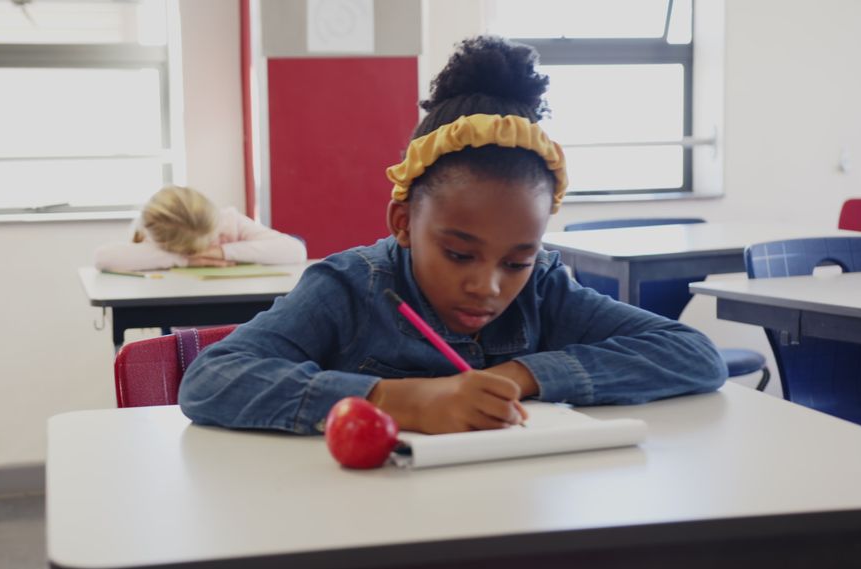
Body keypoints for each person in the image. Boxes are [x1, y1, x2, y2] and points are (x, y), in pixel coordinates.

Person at [178, 36, 726, 435]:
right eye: (460, 253)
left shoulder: (545, 291)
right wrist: (397, 400)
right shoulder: (345, 289)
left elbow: (694, 354)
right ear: (403, 223)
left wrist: (520, 376)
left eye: (517, 261)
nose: (488, 286)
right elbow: (212, 379)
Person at [94, 185, 307, 271]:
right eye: (192, 249)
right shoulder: (154, 233)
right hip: (182, 324)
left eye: (213, 239)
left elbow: (295, 249)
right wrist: (186, 260)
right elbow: (103, 258)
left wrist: (221, 251)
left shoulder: (227, 221)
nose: (214, 242)